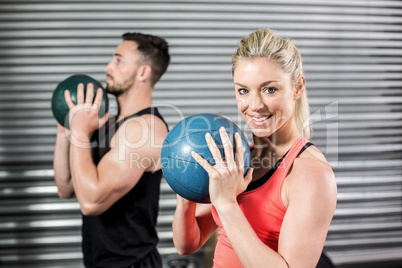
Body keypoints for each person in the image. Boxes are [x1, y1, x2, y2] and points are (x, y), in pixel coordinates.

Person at [172, 28, 337, 267]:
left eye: (269, 89)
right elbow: (187, 244)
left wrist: (227, 203)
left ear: (298, 87)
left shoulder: (310, 173)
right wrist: (185, 188)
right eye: (243, 90)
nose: (255, 105)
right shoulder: (240, 157)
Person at [53, 32, 170, 268]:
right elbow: (65, 187)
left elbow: (91, 201)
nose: (108, 67)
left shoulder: (144, 129)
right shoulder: (109, 124)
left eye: (118, 60)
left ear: (143, 72)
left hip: (132, 264)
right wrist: (65, 130)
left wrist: (79, 133)